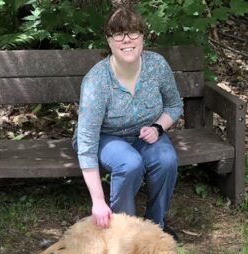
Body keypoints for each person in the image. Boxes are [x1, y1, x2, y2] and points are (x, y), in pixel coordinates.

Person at [73, 7, 183, 237]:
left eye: (133, 33)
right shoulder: (97, 80)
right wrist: (98, 202)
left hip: (145, 134)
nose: (127, 40)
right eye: (118, 34)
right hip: (105, 137)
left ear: (143, 37)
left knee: (167, 159)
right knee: (129, 163)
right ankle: (125, 232)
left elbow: (174, 105)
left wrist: (158, 127)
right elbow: (86, 140)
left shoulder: (157, 66)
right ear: (109, 41)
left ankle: (156, 227)